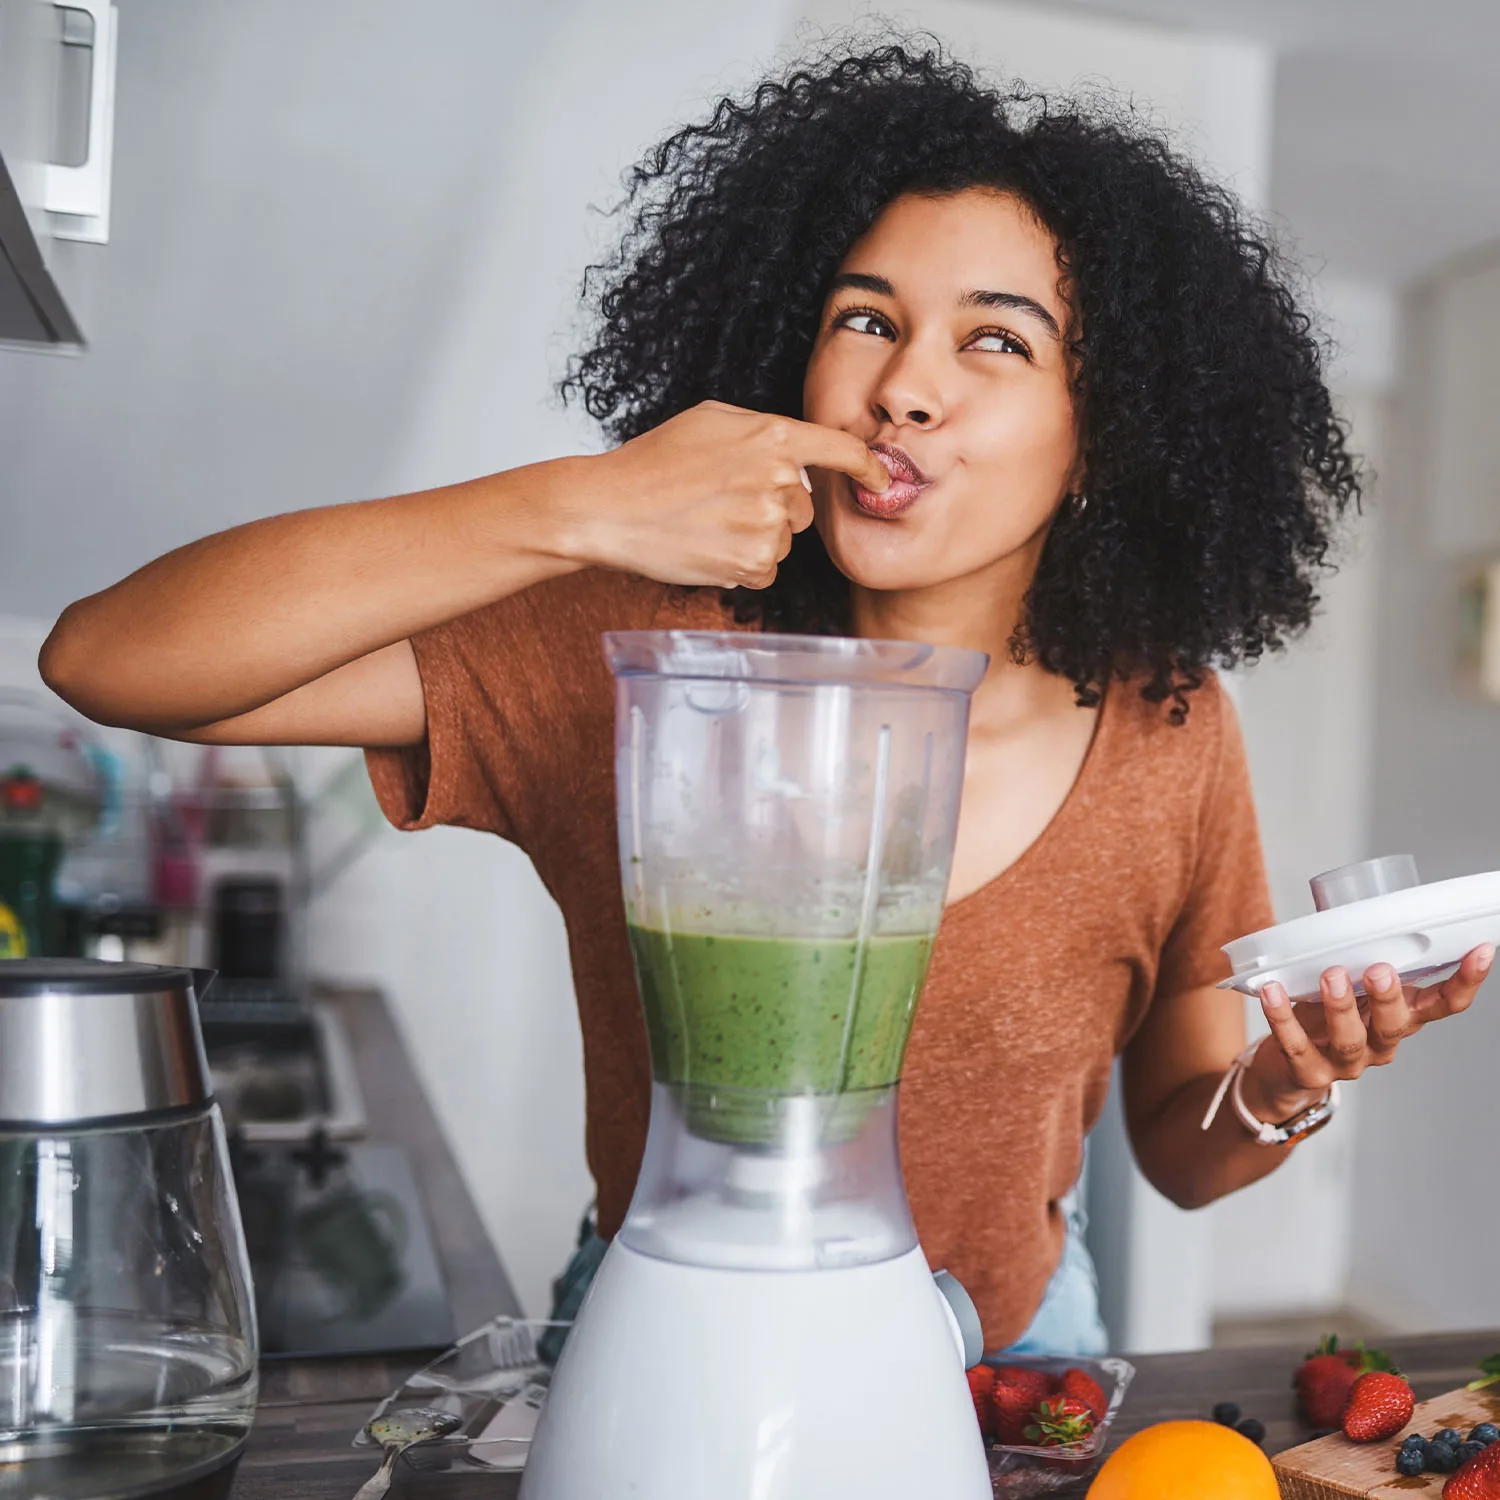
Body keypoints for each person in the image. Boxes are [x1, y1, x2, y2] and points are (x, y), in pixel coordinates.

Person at [40, 43, 1492, 1355]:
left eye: (995, 340)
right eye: (867, 319)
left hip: (1018, 1371)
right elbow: (112, 659)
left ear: (1103, 435)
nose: (904, 387)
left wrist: (1289, 1084)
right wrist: (586, 504)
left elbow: (1184, 1155)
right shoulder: (638, 652)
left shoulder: (1169, 726)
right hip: (668, 1340)